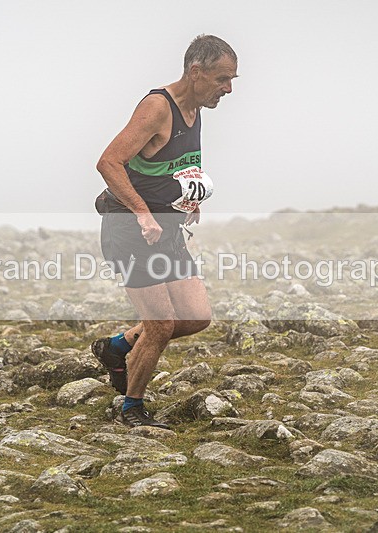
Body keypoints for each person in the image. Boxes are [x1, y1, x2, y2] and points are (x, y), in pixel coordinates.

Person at [91, 34, 238, 429]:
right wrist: (141, 213)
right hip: (130, 229)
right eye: (223, 79)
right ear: (196, 72)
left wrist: (191, 201)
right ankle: (131, 409)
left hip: (167, 231)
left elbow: (178, 165)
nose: (228, 89)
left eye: (232, 80)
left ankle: (117, 347)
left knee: (196, 317)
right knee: (160, 325)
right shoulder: (158, 107)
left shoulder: (196, 109)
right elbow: (108, 162)